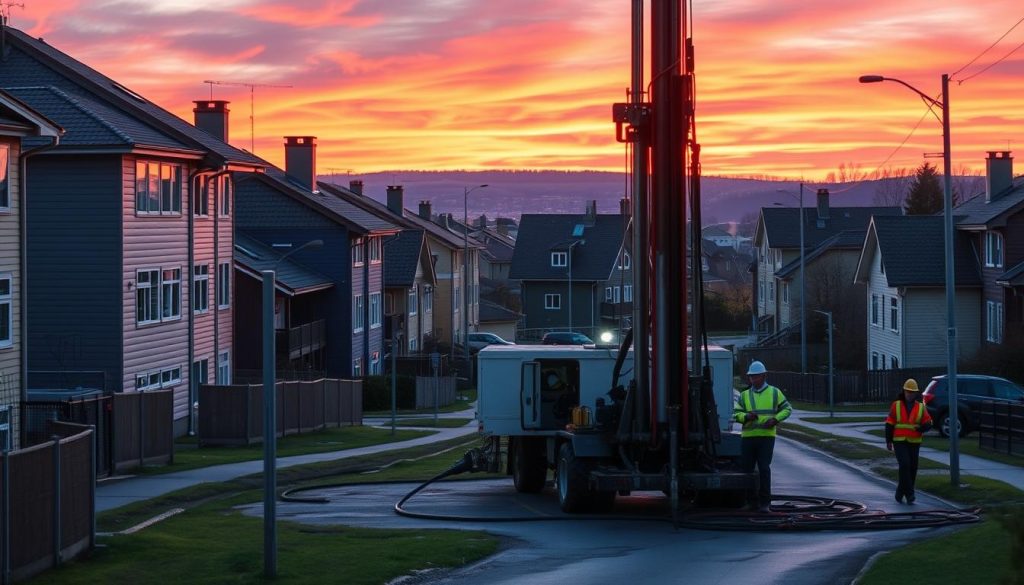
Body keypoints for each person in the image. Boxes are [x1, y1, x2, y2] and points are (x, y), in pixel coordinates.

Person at [733, 360, 792, 513]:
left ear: (764, 376)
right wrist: (746, 417)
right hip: (748, 437)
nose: (754, 379)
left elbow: (787, 409)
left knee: (764, 469)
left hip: (766, 437)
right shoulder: (744, 395)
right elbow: (736, 414)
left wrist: (775, 419)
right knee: (747, 470)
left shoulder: (774, 392)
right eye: (752, 377)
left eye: (757, 376)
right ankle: (751, 502)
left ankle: (765, 503)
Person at [885, 378, 933, 504]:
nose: (910, 394)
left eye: (912, 392)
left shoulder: (921, 407)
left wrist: (921, 428)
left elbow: (929, 423)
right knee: (905, 464)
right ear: (904, 391)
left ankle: (900, 491)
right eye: (908, 392)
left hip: (914, 442)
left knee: (912, 468)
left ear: (916, 393)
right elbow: (889, 424)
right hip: (899, 441)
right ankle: (910, 494)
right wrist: (888, 441)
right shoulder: (896, 405)